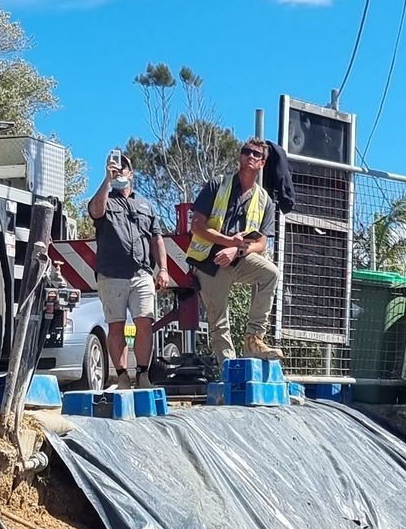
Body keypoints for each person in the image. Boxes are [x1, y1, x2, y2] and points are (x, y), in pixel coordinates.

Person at [185, 134, 291, 364]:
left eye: (256, 154)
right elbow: (197, 226)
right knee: (218, 321)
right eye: (246, 151)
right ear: (239, 156)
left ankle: (254, 340)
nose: (250, 156)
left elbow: (262, 243)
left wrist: (238, 250)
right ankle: (229, 369)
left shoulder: (265, 200)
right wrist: (228, 243)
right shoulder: (217, 185)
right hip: (209, 261)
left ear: (262, 163)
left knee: (270, 273)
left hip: (239, 258)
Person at [87, 148, 168, 389]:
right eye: (114, 168)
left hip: (142, 273)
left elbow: (157, 238)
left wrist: (162, 269)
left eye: (122, 168)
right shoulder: (105, 198)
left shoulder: (145, 204)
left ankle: (143, 375)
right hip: (111, 275)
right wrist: (106, 180)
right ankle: (122, 376)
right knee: (116, 326)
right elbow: (95, 211)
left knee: (145, 322)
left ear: (131, 173)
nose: (118, 171)